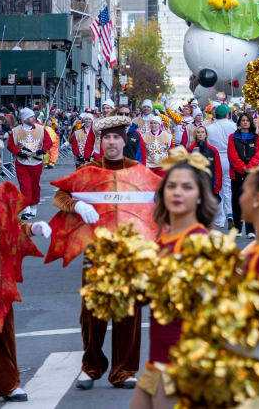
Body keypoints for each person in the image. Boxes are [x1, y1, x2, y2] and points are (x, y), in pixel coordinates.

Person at [51, 115, 159, 390]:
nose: (111, 142)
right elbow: (59, 195)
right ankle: (92, 367)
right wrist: (75, 206)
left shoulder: (139, 171)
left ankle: (124, 371)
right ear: (101, 142)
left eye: (116, 137)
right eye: (107, 138)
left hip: (131, 255)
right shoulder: (88, 171)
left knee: (129, 313)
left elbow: (163, 200)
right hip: (96, 254)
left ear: (125, 141)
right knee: (92, 315)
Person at [132, 149, 217, 409]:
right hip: (156, 359)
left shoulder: (199, 241)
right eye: (171, 186)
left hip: (182, 363)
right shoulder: (163, 240)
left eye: (187, 187)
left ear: (200, 196)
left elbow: (210, 308)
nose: (177, 192)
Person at [0, 135, 49, 402]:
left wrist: (32, 228)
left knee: (1, 332)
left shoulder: (1, 191)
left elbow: (13, 225)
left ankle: (10, 384)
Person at [6, 108, 52, 218]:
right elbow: (10, 145)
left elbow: (48, 141)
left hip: (36, 162)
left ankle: (33, 208)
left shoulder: (41, 129)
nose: (34, 118)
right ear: (25, 119)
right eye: (31, 117)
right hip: (22, 162)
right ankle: (26, 208)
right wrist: (18, 152)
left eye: (33, 116)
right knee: (25, 185)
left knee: (35, 185)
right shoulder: (16, 131)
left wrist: (43, 150)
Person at [227, 112, 259, 237]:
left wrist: (250, 167)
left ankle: (251, 229)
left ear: (250, 122)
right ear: (239, 123)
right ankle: (237, 228)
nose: (245, 122)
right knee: (236, 201)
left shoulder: (256, 138)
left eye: (247, 120)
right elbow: (232, 155)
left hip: (251, 175)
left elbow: (258, 154)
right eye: (243, 120)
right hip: (237, 174)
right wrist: (242, 168)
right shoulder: (233, 137)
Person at [205, 104, 238, 227]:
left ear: (215, 114)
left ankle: (219, 218)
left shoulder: (210, 128)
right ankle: (230, 213)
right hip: (229, 158)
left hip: (215, 158)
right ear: (227, 114)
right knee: (228, 187)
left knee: (216, 187)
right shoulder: (233, 126)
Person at [188, 126, 223, 199]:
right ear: (195, 135)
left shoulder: (213, 150)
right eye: (198, 132)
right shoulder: (189, 150)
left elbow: (218, 170)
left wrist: (216, 189)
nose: (200, 134)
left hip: (209, 185)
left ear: (206, 134)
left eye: (202, 132)